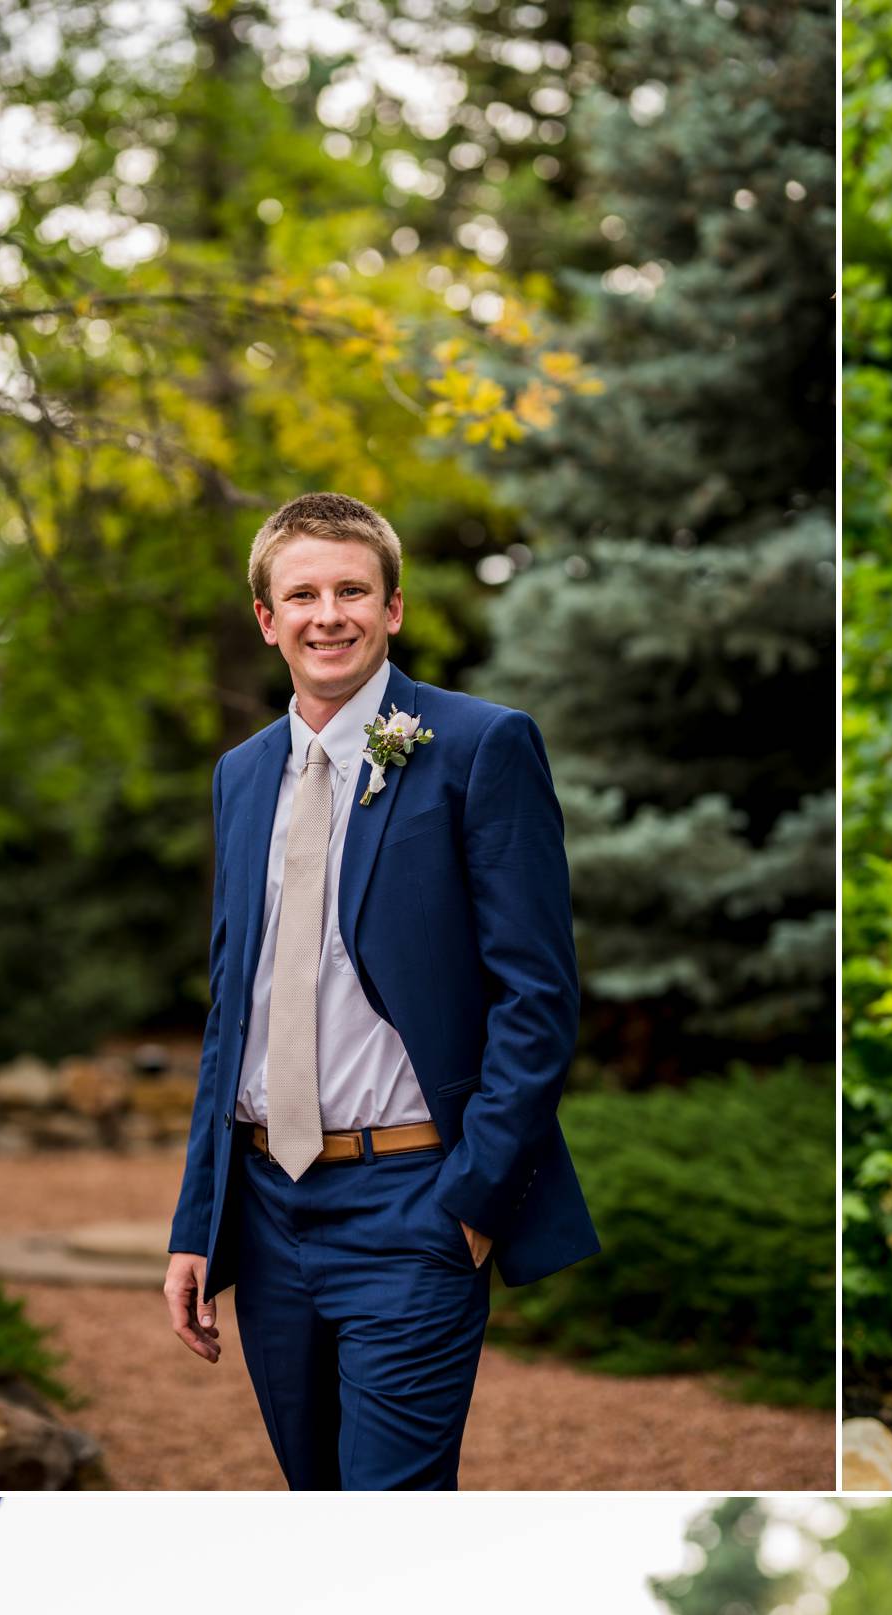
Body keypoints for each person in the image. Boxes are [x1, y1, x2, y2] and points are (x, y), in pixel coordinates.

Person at [163, 490, 597, 1489]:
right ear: (268, 620)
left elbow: (535, 994)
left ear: (392, 607)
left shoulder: (479, 746)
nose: (329, 614)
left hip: (413, 1202)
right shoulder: (240, 775)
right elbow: (233, 1011)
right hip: (268, 1209)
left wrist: (474, 1199)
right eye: (302, 594)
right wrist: (198, 1225)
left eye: (351, 589)